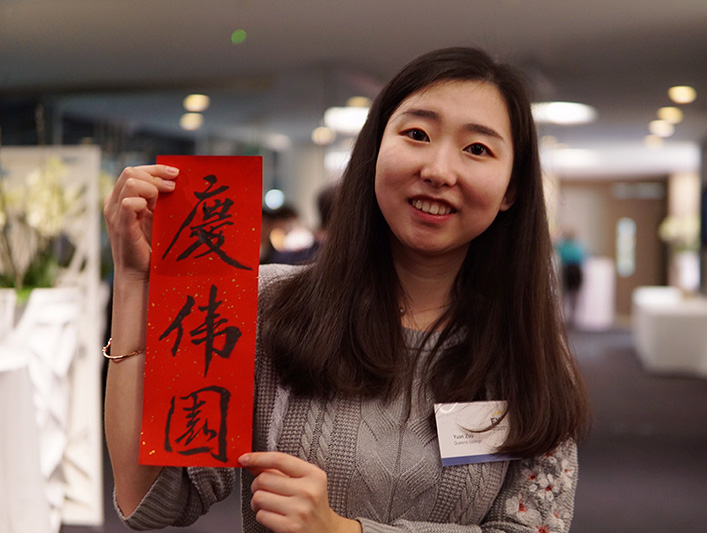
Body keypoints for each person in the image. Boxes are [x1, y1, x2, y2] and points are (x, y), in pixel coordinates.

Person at [103, 47, 590, 533]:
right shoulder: (269, 305)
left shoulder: (528, 353)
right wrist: (134, 281)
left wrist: (341, 531)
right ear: (374, 149)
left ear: (511, 190)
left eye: (477, 149)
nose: (440, 171)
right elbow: (153, 500)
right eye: (417, 134)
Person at [555, 229, 586, 328]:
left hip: (570, 270)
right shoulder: (577, 246)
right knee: (572, 294)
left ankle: (568, 316)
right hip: (573, 270)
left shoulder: (564, 246)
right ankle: (569, 316)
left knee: (569, 294)